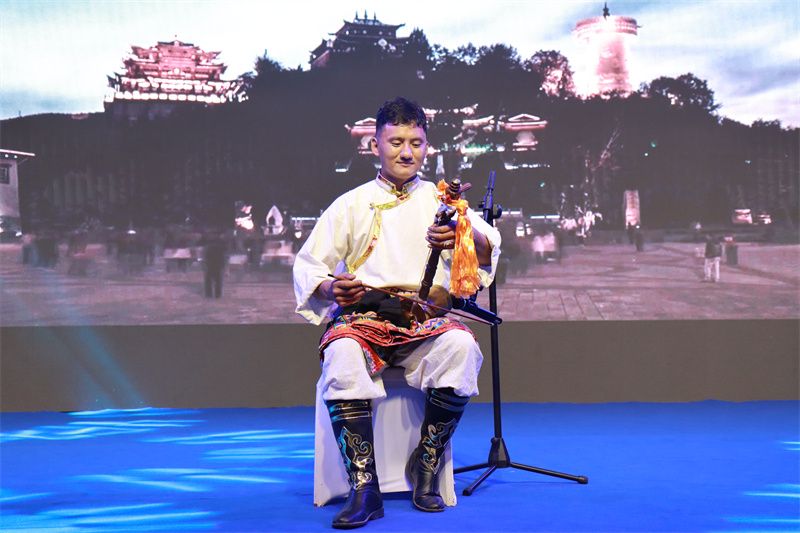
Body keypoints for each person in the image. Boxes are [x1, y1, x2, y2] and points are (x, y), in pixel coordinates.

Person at [293, 97, 501, 529]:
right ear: (375, 146)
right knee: (342, 353)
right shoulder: (351, 203)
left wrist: (462, 236)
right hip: (365, 321)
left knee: (461, 347)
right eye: (396, 142)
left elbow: (488, 251)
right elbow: (309, 266)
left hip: (424, 322)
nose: (407, 152)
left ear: (427, 146)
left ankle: (426, 464)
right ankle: (364, 486)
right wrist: (333, 287)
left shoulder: (445, 203)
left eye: (416, 143)